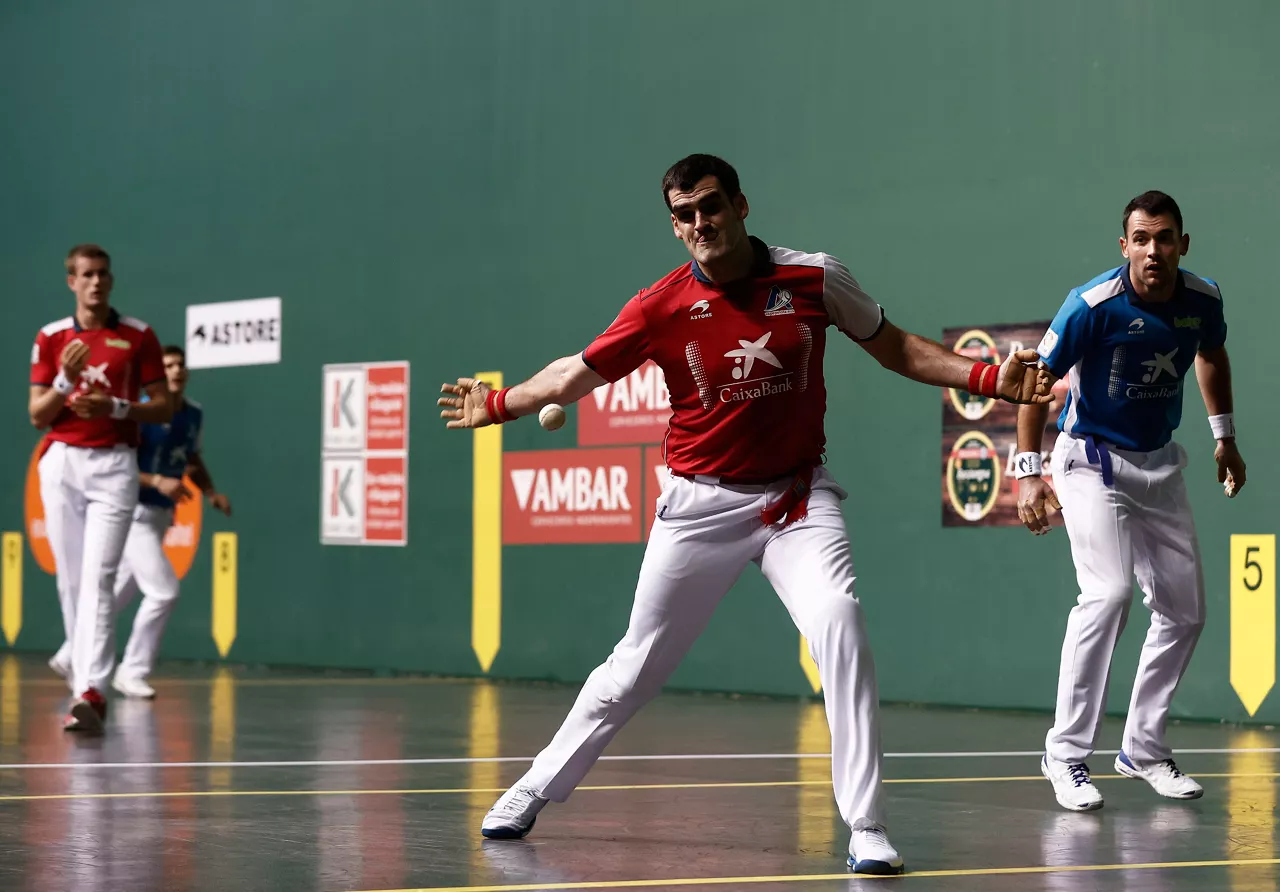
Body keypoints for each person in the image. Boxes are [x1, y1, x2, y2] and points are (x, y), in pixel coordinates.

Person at [439, 155, 1051, 873]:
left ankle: (866, 826)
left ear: (740, 205)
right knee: (633, 667)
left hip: (796, 498)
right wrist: (502, 402)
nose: (700, 223)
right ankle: (533, 787)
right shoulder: (658, 307)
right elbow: (576, 372)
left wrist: (986, 378)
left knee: (840, 620)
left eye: (711, 207)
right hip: (699, 505)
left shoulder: (813, 277)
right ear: (675, 225)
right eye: (685, 214)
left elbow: (896, 348)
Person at [1015, 191, 1245, 812]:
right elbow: (1036, 383)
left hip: (1159, 465)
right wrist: (1029, 473)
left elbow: (1212, 355)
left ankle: (1143, 748)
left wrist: (1224, 438)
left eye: (1164, 238)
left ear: (1182, 245)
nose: (1153, 250)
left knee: (1185, 611)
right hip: (1090, 462)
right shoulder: (1091, 305)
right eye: (1141, 239)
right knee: (1108, 594)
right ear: (1124, 247)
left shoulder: (1203, 300)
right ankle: (1064, 754)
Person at [29, 244, 172, 731]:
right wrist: (66, 382)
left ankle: (92, 690)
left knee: (100, 580)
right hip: (62, 465)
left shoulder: (138, 336)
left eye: (104, 274)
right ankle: (81, 689)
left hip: (116, 465)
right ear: (71, 281)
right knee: (70, 582)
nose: (97, 282)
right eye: (87, 275)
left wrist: (116, 408)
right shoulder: (50, 338)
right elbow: (37, 415)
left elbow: (165, 406)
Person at [48, 345, 232, 699]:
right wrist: (156, 481)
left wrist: (210, 493)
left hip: (161, 515)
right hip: (130, 513)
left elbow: (191, 457)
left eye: (180, 365)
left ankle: (70, 653)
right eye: (168, 366)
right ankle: (131, 670)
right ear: (159, 375)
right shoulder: (141, 413)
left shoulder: (194, 414)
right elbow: (119, 466)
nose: (176, 371)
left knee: (115, 593)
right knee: (164, 592)